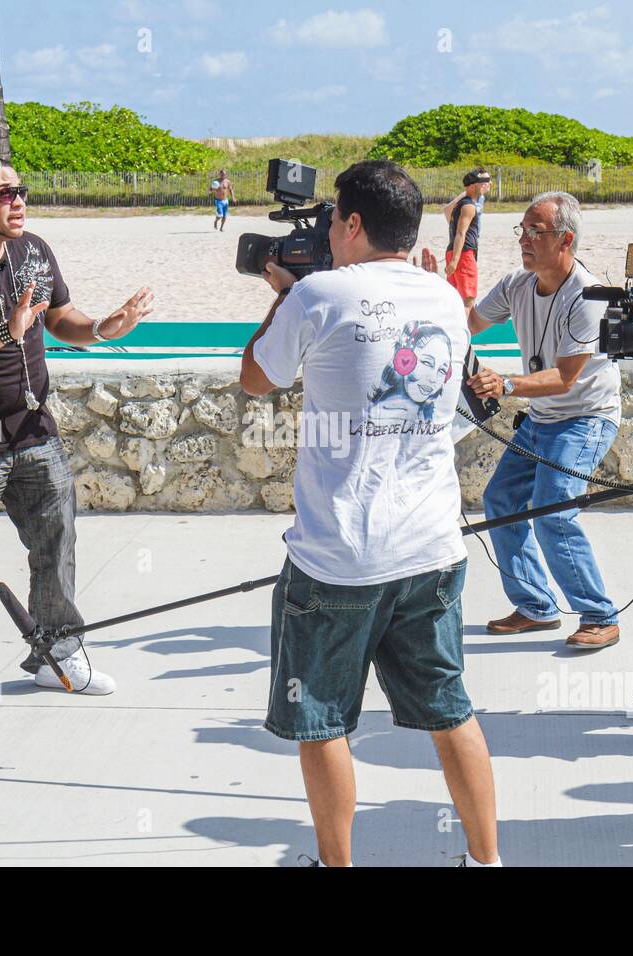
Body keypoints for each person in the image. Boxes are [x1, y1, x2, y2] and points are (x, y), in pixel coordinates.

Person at [242, 160, 500, 867]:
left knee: (322, 722)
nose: (327, 231)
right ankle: (486, 859)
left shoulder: (317, 294)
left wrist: (283, 296)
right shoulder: (446, 297)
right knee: (451, 711)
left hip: (337, 558)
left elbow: (256, 377)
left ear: (352, 224)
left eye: (333, 220)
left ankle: (338, 864)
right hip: (432, 548)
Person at [0, 155, 154, 722]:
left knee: (56, 546)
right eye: (4, 193)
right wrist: (6, 331)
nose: (18, 201)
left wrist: (103, 329)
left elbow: (62, 319)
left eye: (21, 191)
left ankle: (57, 654)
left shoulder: (35, 250)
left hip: (34, 430)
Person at [461, 192, 624, 650]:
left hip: (584, 418)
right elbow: (468, 323)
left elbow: (567, 378)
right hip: (543, 417)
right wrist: (437, 295)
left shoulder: (586, 296)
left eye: (536, 232)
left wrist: (507, 385)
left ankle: (599, 615)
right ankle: (536, 606)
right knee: (501, 499)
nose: (524, 241)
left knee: (553, 507)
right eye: (522, 230)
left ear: (565, 239)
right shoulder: (518, 282)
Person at [441, 168, 491, 311]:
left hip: (454, 250)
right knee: (468, 300)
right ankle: (465, 333)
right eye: (484, 182)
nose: (488, 184)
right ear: (473, 186)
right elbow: (460, 234)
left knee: (455, 296)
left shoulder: (461, 203)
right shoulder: (468, 205)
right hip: (463, 253)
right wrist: (455, 260)